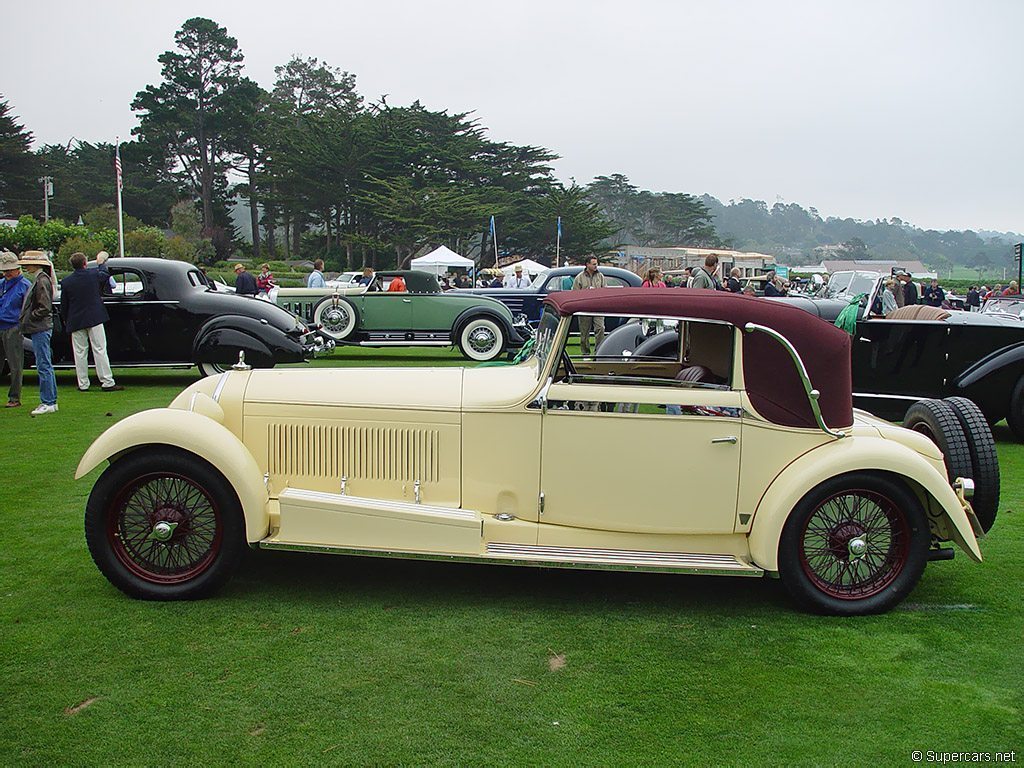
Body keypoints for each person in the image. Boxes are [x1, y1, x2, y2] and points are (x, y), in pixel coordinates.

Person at [59, 251, 124, 393]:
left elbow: (64, 305)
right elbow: (105, 275)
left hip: (76, 319)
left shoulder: (67, 282)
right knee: (100, 349)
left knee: (80, 352)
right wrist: (101, 263)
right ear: (85, 263)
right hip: (95, 317)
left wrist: (66, 319)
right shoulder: (93, 275)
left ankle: (83, 383)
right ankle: (107, 381)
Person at [18, 251, 58, 415]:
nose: (26, 266)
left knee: (43, 364)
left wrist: (29, 318)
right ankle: (51, 401)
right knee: (45, 364)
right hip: (41, 327)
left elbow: (44, 307)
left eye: (28, 263)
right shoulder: (41, 279)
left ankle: (48, 401)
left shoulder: (41, 280)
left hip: (40, 327)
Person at [0, 251, 31, 408]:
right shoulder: (2, 284)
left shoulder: (24, 285)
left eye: (9, 270)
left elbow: (27, 309)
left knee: (15, 365)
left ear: (17, 269)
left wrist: (21, 326)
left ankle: (14, 397)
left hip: (13, 327)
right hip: (1, 326)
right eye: (5, 270)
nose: (6, 273)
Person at [572, 256, 606, 355]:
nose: (596, 266)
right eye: (594, 264)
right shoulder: (579, 277)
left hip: (598, 307)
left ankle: (598, 352)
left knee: (600, 328)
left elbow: (605, 290)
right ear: (587, 264)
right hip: (584, 308)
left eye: (597, 264)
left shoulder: (600, 276)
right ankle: (585, 353)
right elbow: (575, 293)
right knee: (584, 332)